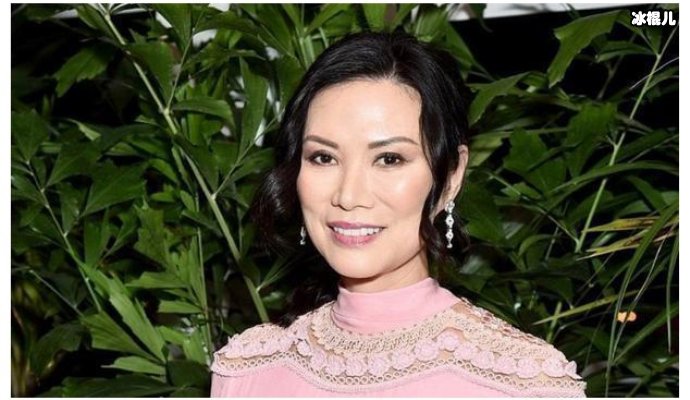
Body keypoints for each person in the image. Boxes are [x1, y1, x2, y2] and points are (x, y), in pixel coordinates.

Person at [210, 31, 586, 397]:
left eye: (389, 159)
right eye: (323, 157)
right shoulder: (247, 368)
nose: (348, 196)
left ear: (451, 176)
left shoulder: (525, 383)